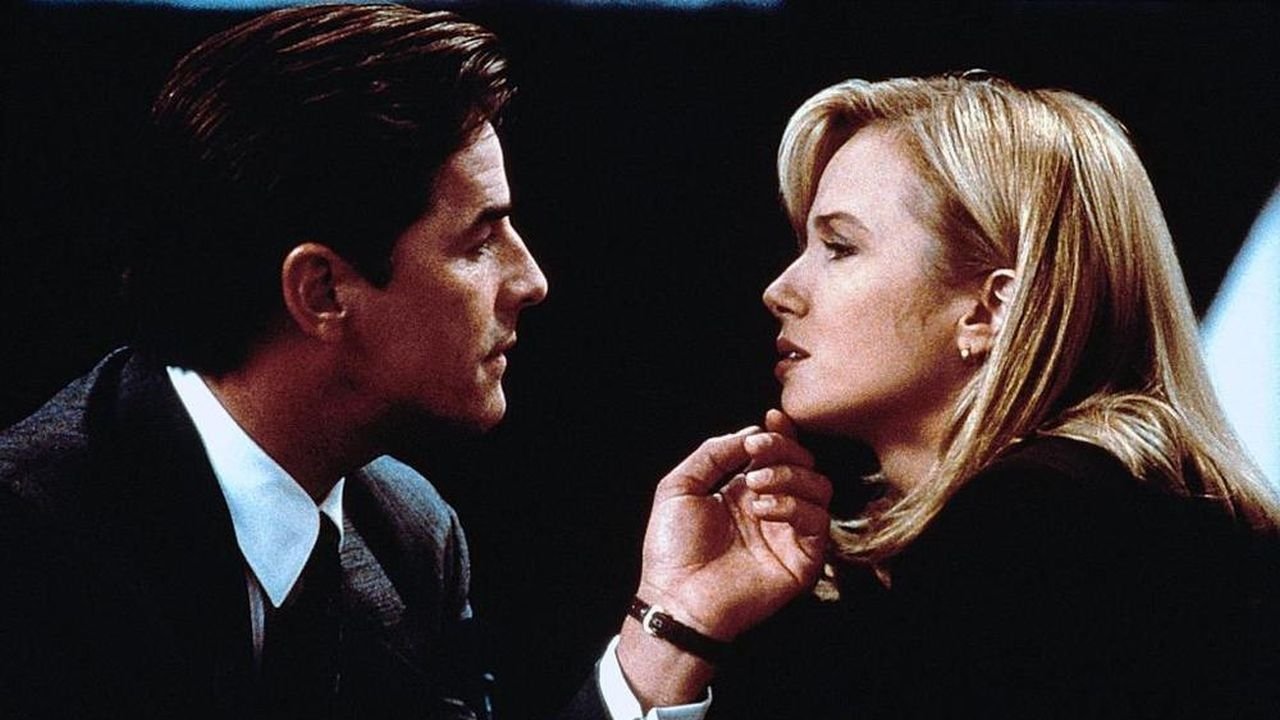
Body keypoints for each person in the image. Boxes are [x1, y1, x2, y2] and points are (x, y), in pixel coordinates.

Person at [0, 5, 830, 719]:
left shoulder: (407, 533)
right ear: (322, 290)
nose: (531, 280)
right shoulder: (31, 548)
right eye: (478, 241)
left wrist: (674, 623)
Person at [704, 73, 1280, 718]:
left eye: (840, 248)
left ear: (989, 308)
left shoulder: (1031, 531)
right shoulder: (1104, 510)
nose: (781, 290)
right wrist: (677, 626)